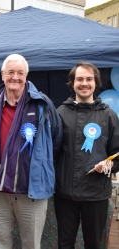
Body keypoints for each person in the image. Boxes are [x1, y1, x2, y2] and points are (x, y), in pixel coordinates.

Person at [0, 54, 62, 249]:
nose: (15, 77)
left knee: (31, 245)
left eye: (20, 73)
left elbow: (55, 140)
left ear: (27, 75)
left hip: (30, 192)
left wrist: (39, 165)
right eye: (11, 72)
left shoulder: (42, 104)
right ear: (2, 74)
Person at [54, 61, 119, 248]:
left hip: (96, 194)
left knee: (94, 244)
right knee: (65, 243)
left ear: (96, 83)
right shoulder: (60, 113)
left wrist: (110, 165)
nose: (84, 83)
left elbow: (117, 153)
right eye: (79, 79)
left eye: (89, 79)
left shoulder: (108, 116)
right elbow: (52, 152)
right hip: (65, 194)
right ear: (72, 83)